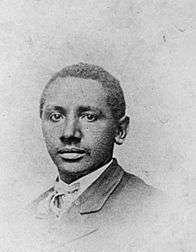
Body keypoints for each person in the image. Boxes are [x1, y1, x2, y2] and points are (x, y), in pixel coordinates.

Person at [31, 62, 163, 227]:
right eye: (56, 116)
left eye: (89, 116)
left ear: (120, 130)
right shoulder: (28, 214)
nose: (69, 133)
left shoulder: (152, 209)